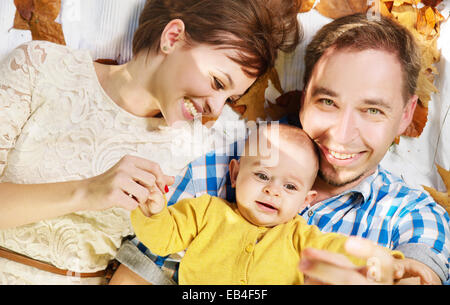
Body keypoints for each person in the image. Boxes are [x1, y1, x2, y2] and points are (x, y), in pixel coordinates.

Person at [111, 13, 450, 285]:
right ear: (304, 97)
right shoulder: (214, 169)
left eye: (372, 110)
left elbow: (418, 269)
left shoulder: (410, 212)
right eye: (328, 101)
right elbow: (139, 270)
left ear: (406, 114)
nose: (342, 134)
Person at [0, 0, 300, 284]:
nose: (216, 109)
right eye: (217, 82)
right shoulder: (39, 68)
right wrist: (88, 191)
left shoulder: (197, 153)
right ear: (172, 37)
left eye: (229, 98)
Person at [131, 124, 405, 284]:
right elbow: (162, 240)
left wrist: (383, 261)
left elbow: (339, 250)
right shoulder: (205, 211)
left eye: (290, 187)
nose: (272, 191)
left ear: (305, 200)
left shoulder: (300, 237)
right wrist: (153, 211)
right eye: (262, 175)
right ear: (235, 174)